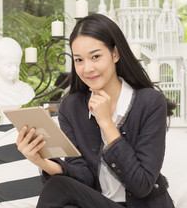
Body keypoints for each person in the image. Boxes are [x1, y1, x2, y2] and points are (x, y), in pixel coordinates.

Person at [16, 14, 176, 208]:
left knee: (58, 188)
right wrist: (41, 161)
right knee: (60, 190)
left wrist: (106, 122)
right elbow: (83, 176)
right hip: (98, 203)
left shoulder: (150, 102)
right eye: (79, 60)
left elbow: (141, 185)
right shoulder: (71, 106)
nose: (87, 68)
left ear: (115, 54)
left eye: (96, 56)